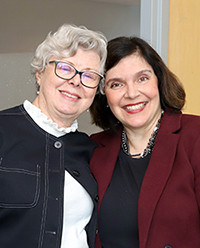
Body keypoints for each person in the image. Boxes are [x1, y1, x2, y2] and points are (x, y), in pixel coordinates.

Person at [0, 24, 107, 248]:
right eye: (66, 68)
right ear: (39, 73)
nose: (76, 81)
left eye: (89, 75)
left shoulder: (91, 151)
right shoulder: (3, 130)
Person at [89, 36, 200, 248]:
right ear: (103, 96)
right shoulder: (93, 148)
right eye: (116, 84)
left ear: (159, 79)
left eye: (142, 79)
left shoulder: (195, 136)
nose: (131, 93)